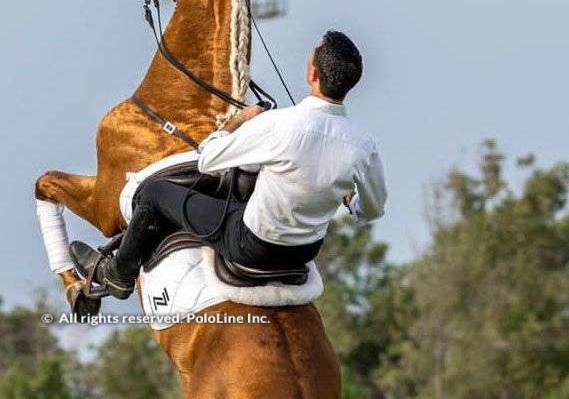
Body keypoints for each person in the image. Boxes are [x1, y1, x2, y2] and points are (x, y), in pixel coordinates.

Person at [71, 30, 385, 298]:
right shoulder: (364, 146)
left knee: (154, 192)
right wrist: (350, 200)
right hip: (304, 252)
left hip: (252, 245)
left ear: (313, 74)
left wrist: (236, 123)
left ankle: (118, 274)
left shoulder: (279, 124)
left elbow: (208, 160)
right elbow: (371, 211)